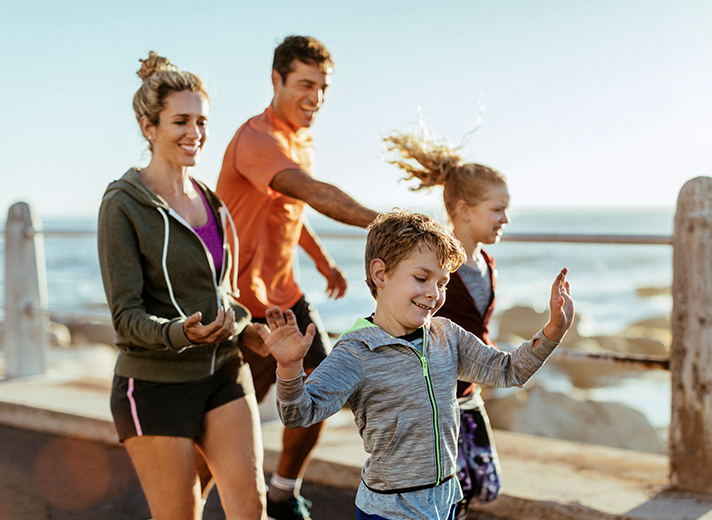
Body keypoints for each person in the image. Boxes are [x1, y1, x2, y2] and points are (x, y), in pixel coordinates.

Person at [256, 210, 574, 520]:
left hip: (444, 500)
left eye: (443, 283)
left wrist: (552, 332)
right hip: (389, 511)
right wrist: (289, 368)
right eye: (421, 278)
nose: (433, 294)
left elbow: (509, 371)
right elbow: (299, 414)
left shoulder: (446, 335)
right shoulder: (357, 350)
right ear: (381, 274)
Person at [215, 35, 378, 520]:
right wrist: (389, 222)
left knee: (323, 390)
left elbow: (290, 208)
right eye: (306, 84)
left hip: (287, 294)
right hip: (245, 304)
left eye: (323, 87)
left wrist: (323, 259)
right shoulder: (256, 139)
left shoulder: (297, 139)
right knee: (228, 417)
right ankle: (194, 500)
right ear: (276, 80)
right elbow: (311, 190)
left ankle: (284, 491)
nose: (317, 97)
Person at [97, 52, 265, 520]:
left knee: (250, 507)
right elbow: (126, 317)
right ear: (149, 127)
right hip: (155, 386)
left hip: (223, 371)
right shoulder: (124, 204)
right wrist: (181, 333)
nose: (195, 133)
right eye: (181, 121)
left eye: (202, 121)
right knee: (180, 514)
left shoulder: (211, 201)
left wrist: (251, 328)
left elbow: (220, 293)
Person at [382, 127, 510, 519]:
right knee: (442, 494)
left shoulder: (486, 264)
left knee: (483, 484)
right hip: (434, 401)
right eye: (497, 209)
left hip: (467, 395)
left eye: (507, 209)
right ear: (463, 211)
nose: (505, 218)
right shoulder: (436, 270)